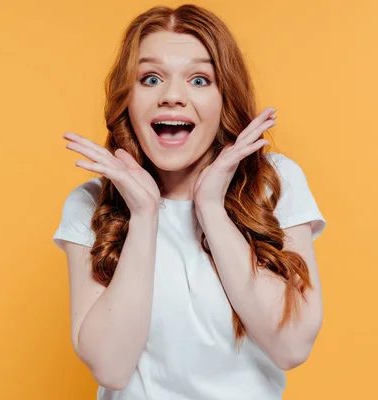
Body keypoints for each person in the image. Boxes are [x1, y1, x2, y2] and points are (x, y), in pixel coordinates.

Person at [52, 4, 326, 400]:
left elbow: (292, 347)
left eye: (199, 79)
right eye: (150, 78)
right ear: (127, 98)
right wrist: (145, 215)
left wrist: (211, 208)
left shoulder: (272, 184)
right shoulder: (90, 203)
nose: (173, 97)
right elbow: (111, 368)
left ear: (224, 97)